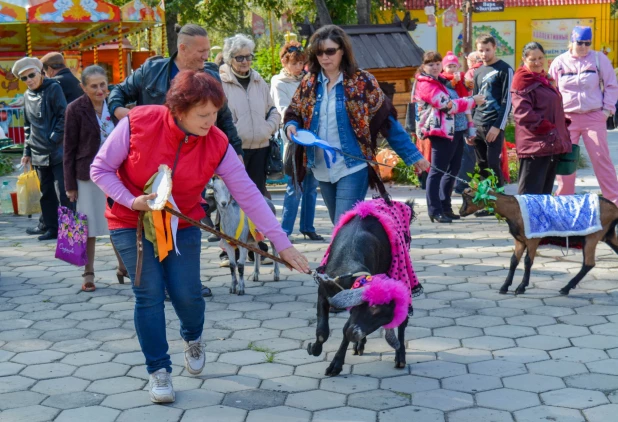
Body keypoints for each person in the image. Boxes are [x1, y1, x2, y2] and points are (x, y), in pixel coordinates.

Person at [90, 70, 310, 404]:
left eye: (215, 114)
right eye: (202, 115)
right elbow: (100, 169)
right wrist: (132, 200)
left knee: (187, 294)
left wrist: (283, 244)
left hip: (184, 221)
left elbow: (248, 194)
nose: (210, 122)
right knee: (148, 294)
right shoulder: (138, 122)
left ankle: (192, 337)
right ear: (178, 110)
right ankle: (159, 371)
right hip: (130, 220)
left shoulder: (217, 142)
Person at [108, 24, 244, 296]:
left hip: (193, 161)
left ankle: (184, 283)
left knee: (187, 219)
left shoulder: (211, 75)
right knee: (156, 220)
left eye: (208, 51)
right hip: (152, 165)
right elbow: (116, 95)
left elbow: (224, 118)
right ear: (182, 48)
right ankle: (165, 283)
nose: (207, 56)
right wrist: (130, 118)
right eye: (201, 51)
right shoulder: (151, 70)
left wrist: (235, 152)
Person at [285, 25, 429, 225]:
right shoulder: (308, 83)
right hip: (320, 167)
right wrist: (291, 126)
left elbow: (387, 122)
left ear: (342, 51)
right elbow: (294, 112)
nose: (324, 57)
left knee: (344, 226)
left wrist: (413, 156)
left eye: (330, 51)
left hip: (352, 166)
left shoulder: (362, 82)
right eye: (319, 52)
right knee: (341, 227)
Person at [63, 65, 128, 292]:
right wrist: (70, 185)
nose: (100, 90)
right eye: (94, 86)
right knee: (87, 226)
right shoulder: (75, 109)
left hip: (116, 173)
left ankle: (124, 265)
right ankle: (88, 272)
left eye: (103, 84)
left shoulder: (115, 106)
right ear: (83, 87)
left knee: (118, 222)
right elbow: (69, 149)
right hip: (87, 175)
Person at [549, 26, 618, 206]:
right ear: (571, 41)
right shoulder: (559, 62)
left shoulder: (598, 59)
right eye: (580, 43)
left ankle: (614, 202)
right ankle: (565, 203)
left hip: (593, 116)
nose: (584, 47)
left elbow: (611, 84)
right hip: (566, 118)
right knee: (566, 161)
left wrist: (606, 111)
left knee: (601, 158)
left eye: (587, 43)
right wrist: (553, 116)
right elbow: (550, 90)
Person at [414, 51, 484, 223]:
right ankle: (434, 210)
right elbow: (448, 106)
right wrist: (473, 100)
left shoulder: (443, 81)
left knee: (452, 170)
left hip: (455, 130)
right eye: (431, 64)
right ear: (423, 67)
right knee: (437, 170)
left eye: (438, 63)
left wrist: (468, 128)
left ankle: (446, 207)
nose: (435, 67)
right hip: (440, 132)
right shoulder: (425, 84)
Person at [271, 41, 323, 242]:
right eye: (293, 63)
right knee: (295, 186)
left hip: (314, 137)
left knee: (311, 186)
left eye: (301, 62)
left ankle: (308, 227)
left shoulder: (311, 79)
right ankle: (284, 230)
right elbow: (284, 109)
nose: (297, 67)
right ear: (284, 62)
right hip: (293, 138)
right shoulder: (279, 82)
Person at [14, 57, 70, 241]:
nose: (29, 80)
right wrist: (26, 152)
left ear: (41, 73)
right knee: (46, 193)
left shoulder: (53, 88)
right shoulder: (26, 96)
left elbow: (64, 116)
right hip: (38, 153)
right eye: (24, 78)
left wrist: (53, 139)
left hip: (57, 151)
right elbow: (27, 126)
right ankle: (52, 228)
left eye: (31, 75)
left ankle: (69, 231)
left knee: (65, 192)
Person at [220, 33, 280, 196]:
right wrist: (235, 134)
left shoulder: (258, 81)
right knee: (233, 198)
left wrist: (267, 129)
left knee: (257, 196)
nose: (245, 61)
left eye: (248, 57)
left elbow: (273, 110)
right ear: (229, 58)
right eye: (240, 58)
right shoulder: (221, 83)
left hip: (261, 149)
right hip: (234, 151)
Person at [511, 42, 572, 195]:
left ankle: (539, 220)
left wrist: (561, 126)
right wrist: (547, 128)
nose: (537, 62)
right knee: (529, 197)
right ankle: (524, 220)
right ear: (524, 59)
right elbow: (522, 113)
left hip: (549, 143)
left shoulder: (544, 79)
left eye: (540, 58)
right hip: (535, 145)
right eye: (532, 59)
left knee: (543, 195)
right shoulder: (522, 80)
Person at [472, 34, 514, 191]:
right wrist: (470, 127)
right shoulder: (478, 71)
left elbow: (507, 100)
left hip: (493, 125)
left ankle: (499, 202)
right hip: (478, 124)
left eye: (488, 50)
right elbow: (474, 100)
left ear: (495, 48)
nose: (484, 54)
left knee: (493, 164)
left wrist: (498, 126)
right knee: (482, 164)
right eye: (481, 50)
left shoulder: (505, 69)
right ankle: (486, 201)